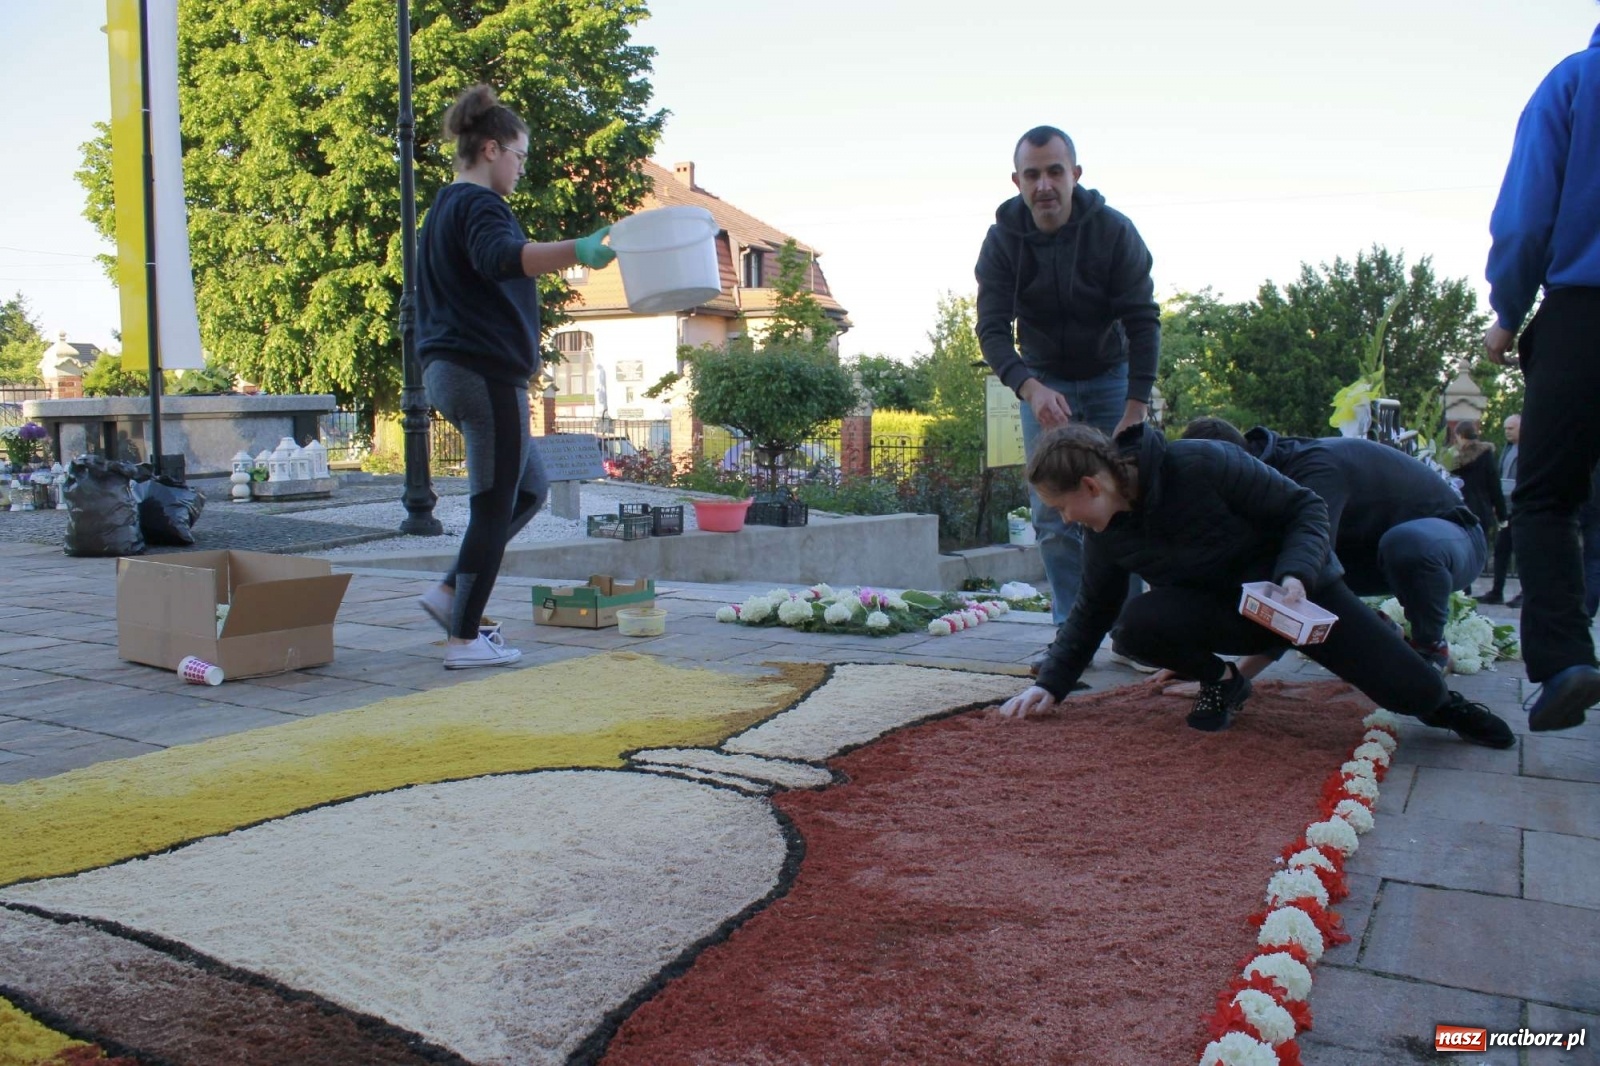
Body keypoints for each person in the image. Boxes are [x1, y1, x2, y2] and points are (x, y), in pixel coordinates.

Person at [996, 423, 1514, 751]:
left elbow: (1305, 508)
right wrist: (1050, 685)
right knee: (1133, 628)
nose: (1066, 520)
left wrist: (1295, 574)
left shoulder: (1202, 463)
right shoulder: (1106, 535)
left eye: (1064, 507)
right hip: (1229, 614)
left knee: (1410, 691)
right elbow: (1092, 610)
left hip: (1298, 599)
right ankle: (1222, 682)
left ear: (1091, 485)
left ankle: (1447, 707)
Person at [414, 84, 616, 669]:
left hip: (452, 370)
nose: (522, 169)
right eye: (520, 157)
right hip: (483, 372)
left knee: (528, 490)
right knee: (491, 503)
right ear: (492, 148)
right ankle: (463, 640)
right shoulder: (479, 206)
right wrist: (578, 248)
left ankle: (452, 592)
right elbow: (503, 258)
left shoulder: (443, 208)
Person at [975, 126, 1160, 635]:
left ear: (1074, 175)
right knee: (1054, 510)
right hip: (1044, 381)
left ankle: (1131, 633)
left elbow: (1144, 321)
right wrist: (1030, 387)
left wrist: (1135, 409)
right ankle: (1070, 632)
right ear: (1017, 181)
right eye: (1032, 174)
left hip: (1110, 377)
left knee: (1121, 503)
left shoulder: (1114, 232)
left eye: (1055, 171)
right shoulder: (1002, 243)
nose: (1044, 186)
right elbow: (990, 329)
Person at [1483, 17, 1600, 731]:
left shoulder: (1574, 81)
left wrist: (1506, 309)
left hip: (1585, 316)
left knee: (1545, 499)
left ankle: (1565, 661)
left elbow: (1526, 220)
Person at [1181, 418, 1486, 674]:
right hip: (1378, 553)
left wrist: (1232, 677)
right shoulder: (1261, 480)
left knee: (1400, 547)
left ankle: (1429, 648)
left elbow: (1305, 581)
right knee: (1278, 563)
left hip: (1454, 539)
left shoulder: (1315, 470)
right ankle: (1383, 634)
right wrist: (1190, 660)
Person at [1449, 421, 1505, 596]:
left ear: (1459, 436)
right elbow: (1494, 486)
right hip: (1481, 510)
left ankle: (1463, 589)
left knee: (1461, 551)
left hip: (1460, 508)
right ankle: (1468, 584)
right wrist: (1502, 514)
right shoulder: (1486, 456)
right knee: (1476, 551)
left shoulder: (1454, 459)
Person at [1479, 413, 1522, 606]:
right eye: (1505, 428)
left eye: (1510, 428)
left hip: (1520, 508)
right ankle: (1497, 591)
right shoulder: (1508, 448)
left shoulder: (1526, 449)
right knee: (1501, 551)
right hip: (1507, 507)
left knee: (1521, 553)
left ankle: (1524, 593)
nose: (1506, 432)